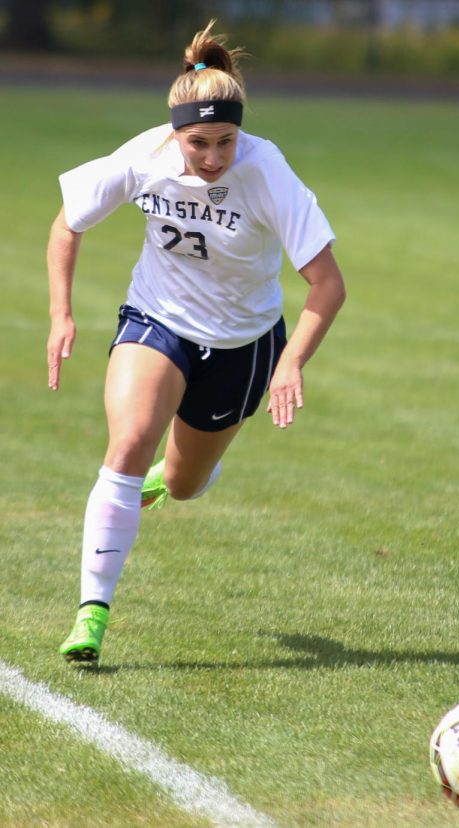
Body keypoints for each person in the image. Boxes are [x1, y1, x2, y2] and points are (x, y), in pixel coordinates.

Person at [49, 21, 346, 665]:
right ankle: (91, 616)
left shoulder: (266, 170)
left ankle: (169, 477)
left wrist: (293, 360)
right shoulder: (145, 155)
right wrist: (60, 313)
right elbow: (67, 223)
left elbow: (327, 284)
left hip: (244, 345)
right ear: (174, 132)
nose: (213, 158)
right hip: (157, 319)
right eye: (198, 143)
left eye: (225, 142)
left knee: (184, 484)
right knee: (127, 444)